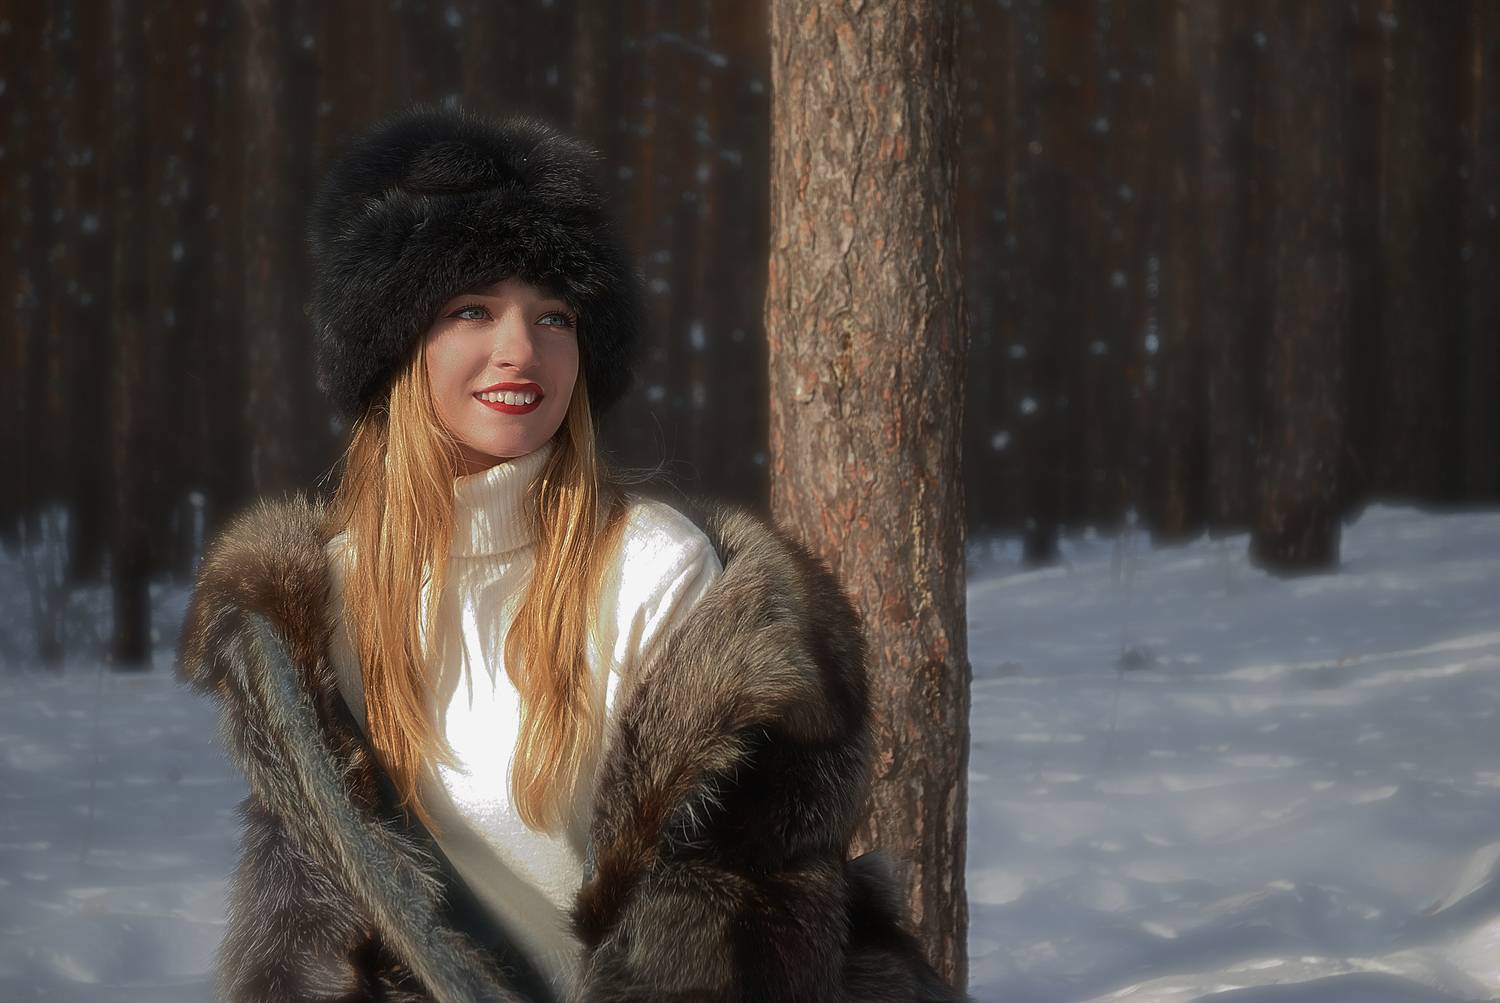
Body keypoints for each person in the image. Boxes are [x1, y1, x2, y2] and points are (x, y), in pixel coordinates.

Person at [176, 104, 966, 1002]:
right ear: (395, 343)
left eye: (553, 317)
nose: (521, 350)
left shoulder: (652, 571)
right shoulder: (321, 612)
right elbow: (316, 938)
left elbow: (725, 934)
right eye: (473, 309)